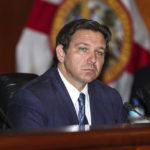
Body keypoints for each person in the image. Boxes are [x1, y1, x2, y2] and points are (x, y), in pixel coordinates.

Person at [8, 19, 128, 129]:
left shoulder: (111, 98)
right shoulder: (32, 99)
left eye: (99, 52)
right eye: (83, 49)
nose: (93, 59)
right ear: (61, 53)